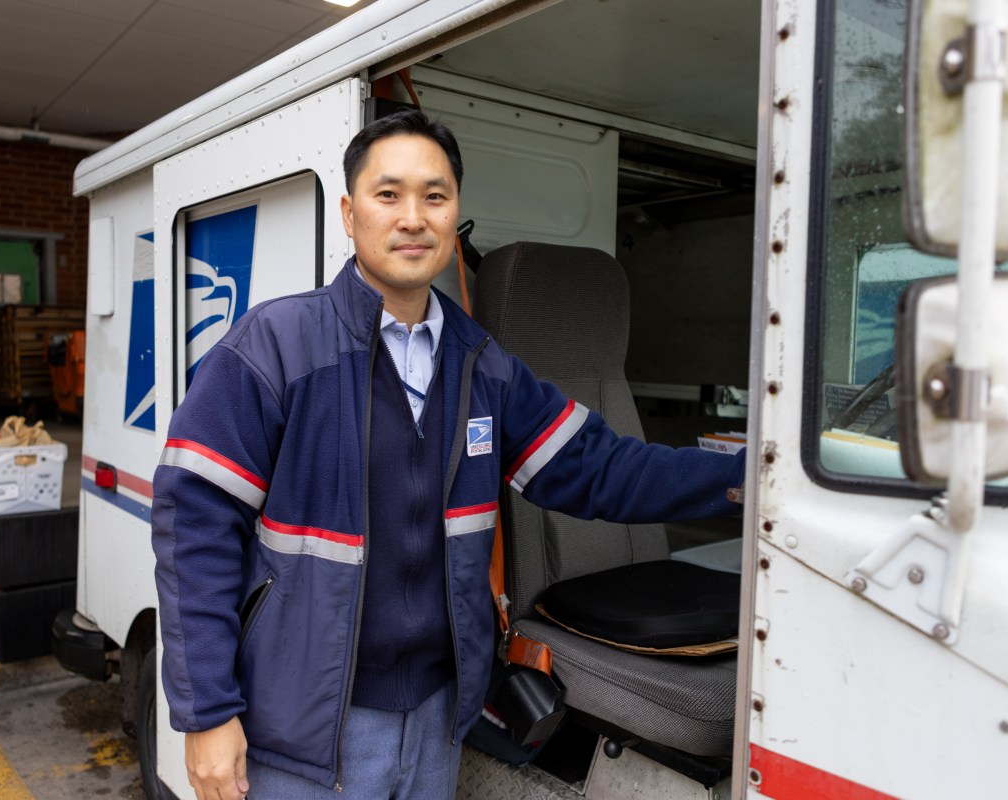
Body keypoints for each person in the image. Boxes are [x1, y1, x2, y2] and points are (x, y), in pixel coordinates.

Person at [151, 108, 745, 800]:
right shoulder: (276, 348)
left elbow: (604, 470)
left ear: (455, 212)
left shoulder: (484, 367)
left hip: (437, 723)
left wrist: (748, 481)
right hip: (306, 731)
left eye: (435, 196)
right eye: (388, 194)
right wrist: (207, 714)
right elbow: (193, 527)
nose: (412, 217)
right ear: (349, 213)